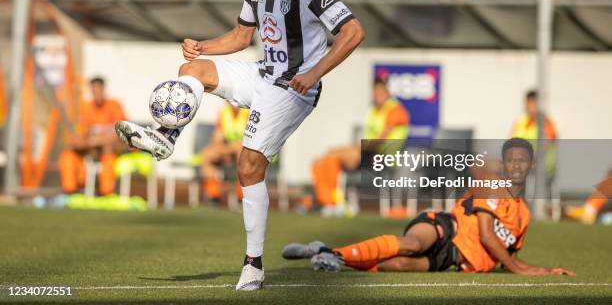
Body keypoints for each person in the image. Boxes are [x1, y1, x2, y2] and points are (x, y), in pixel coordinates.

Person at [114, 0, 365, 291]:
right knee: (192, 71)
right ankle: (167, 136)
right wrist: (202, 47)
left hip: (295, 89)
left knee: (248, 167)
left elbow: (353, 32)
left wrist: (313, 73)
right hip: (263, 74)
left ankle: (253, 264)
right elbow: (239, 38)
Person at [282, 138, 575, 276]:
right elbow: (487, 236)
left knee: (397, 265)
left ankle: (326, 254)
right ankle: (333, 253)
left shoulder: (523, 215)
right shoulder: (491, 185)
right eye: (510, 159)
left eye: (522, 160)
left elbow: (508, 256)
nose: (516, 165)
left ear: (532, 165)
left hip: (453, 259)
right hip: (445, 227)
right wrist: (520, 270)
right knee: (410, 244)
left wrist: (542, 270)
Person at [311, 77, 409, 213]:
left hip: (384, 156)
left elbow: (379, 141)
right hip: (368, 152)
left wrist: (356, 149)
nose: (377, 94)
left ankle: (334, 203)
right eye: (375, 91)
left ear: (387, 92)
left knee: (340, 156)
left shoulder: (395, 111)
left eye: (380, 91)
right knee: (324, 159)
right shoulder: (374, 110)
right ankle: (330, 202)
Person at [59, 77, 126, 195]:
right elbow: (81, 131)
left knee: (107, 149)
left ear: (103, 90)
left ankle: (106, 192)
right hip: (91, 147)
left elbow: (120, 132)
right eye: (93, 91)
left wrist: (96, 141)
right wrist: (80, 141)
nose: (96, 94)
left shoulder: (114, 105)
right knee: (69, 151)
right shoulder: (86, 107)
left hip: (109, 148)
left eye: (98, 90)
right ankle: (72, 189)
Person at [200, 102, 249, 202]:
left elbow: (248, 139)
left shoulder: (248, 113)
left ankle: (242, 195)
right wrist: (221, 150)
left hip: (244, 149)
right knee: (208, 154)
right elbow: (218, 135)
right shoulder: (223, 112)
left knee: (239, 150)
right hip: (228, 148)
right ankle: (213, 194)